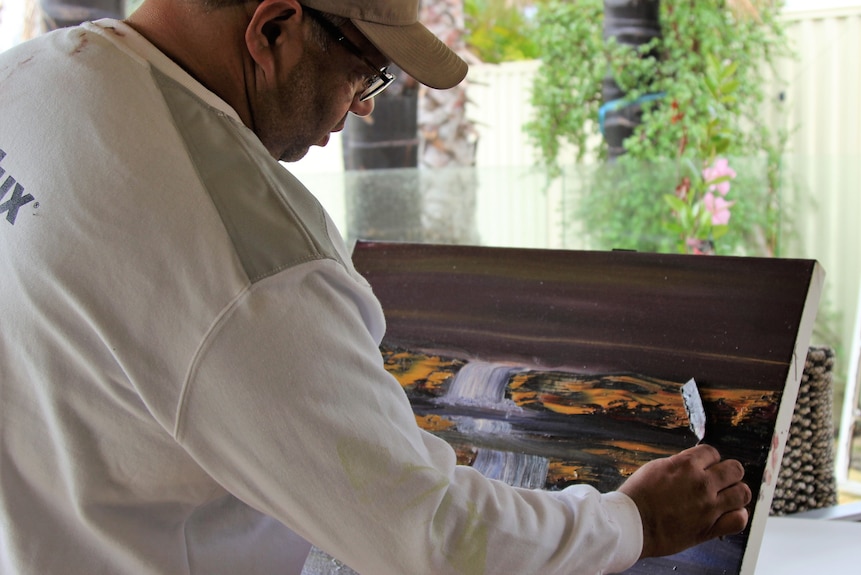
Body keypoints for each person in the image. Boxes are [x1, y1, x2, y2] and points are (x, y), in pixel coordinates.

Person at [0, 0, 751, 573]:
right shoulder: (252, 265)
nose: (361, 107)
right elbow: (432, 537)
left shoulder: (29, 80)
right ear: (274, 30)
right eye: (365, 71)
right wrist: (633, 523)